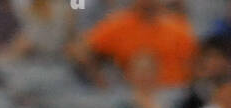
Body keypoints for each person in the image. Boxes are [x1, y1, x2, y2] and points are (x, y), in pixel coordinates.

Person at [68, 0, 196, 89]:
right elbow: (79, 50)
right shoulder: (119, 24)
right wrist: (100, 81)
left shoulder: (178, 27)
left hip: (173, 92)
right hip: (132, 94)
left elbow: (196, 63)